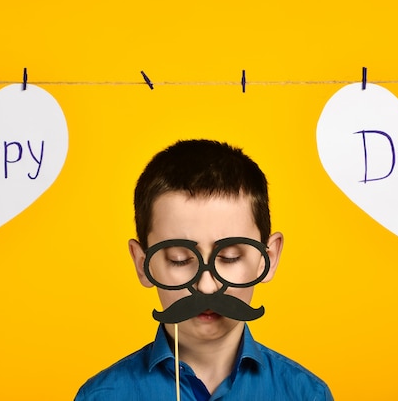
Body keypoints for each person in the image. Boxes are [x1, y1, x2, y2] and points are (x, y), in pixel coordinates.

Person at [74, 139, 333, 401]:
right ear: (143, 264)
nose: (207, 286)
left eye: (230, 258)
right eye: (179, 259)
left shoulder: (306, 395)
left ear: (269, 258)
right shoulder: (101, 396)